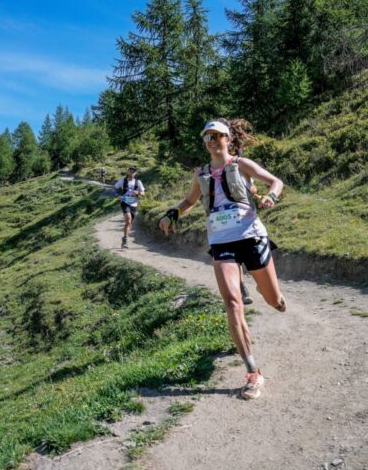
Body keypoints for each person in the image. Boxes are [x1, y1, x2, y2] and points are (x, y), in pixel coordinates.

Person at [158, 118, 286, 400]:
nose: (213, 141)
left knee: (274, 302)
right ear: (205, 143)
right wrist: (172, 214)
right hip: (221, 242)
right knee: (231, 303)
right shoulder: (200, 173)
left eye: (218, 136)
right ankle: (253, 372)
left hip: (251, 236)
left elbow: (275, 181)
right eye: (208, 138)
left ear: (229, 139)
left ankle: (263, 288)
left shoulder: (241, 164)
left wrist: (271, 198)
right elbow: (190, 202)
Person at [114, 166, 145, 249]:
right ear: (127, 172)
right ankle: (125, 240)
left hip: (134, 204)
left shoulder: (138, 182)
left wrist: (137, 192)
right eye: (130, 171)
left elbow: (143, 193)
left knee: (130, 223)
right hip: (124, 202)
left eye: (133, 172)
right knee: (128, 220)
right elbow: (115, 188)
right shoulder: (122, 181)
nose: (132, 173)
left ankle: (125, 237)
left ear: (135, 173)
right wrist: (117, 195)